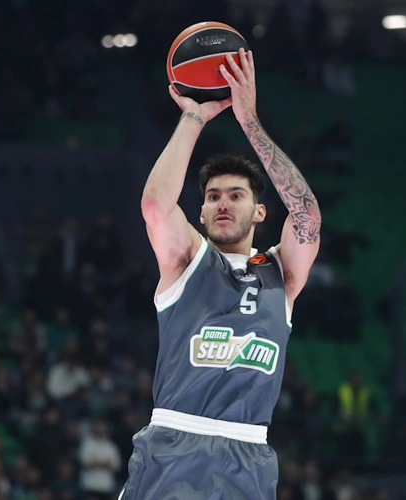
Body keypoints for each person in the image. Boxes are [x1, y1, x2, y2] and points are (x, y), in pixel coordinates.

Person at [122, 49, 322, 499]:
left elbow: (307, 215)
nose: (223, 204)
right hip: (175, 446)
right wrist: (193, 117)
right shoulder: (186, 260)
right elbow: (155, 206)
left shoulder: (282, 274)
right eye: (213, 196)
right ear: (202, 212)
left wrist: (249, 122)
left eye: (236, 195)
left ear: (259, 212)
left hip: (248, 455)